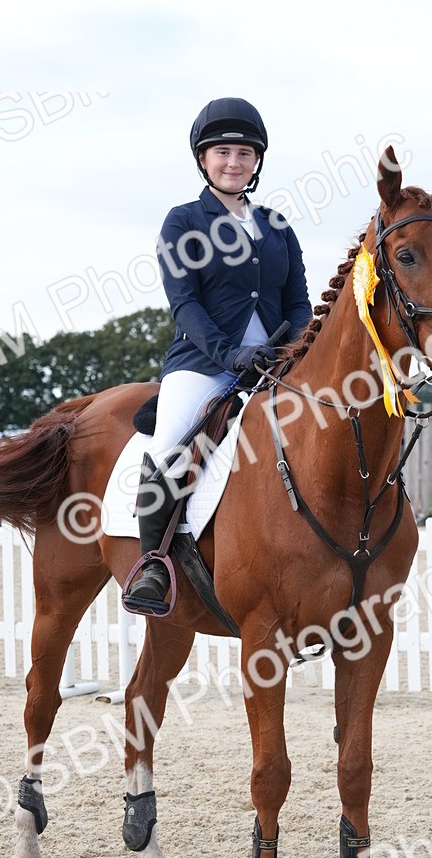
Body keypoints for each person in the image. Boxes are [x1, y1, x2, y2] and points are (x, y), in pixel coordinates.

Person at [123, 97, 312, 613]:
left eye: (245, 153)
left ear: (257, 162)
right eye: (223, 152)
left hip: (276, 366)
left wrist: (294, 350)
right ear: (203, 160)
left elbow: (298, 303)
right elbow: (185, 305)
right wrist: (231, 356)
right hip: (205, 364)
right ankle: (153, 566)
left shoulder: (276, 226)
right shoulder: (183, 221)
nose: (234, 162)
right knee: (170, 445)